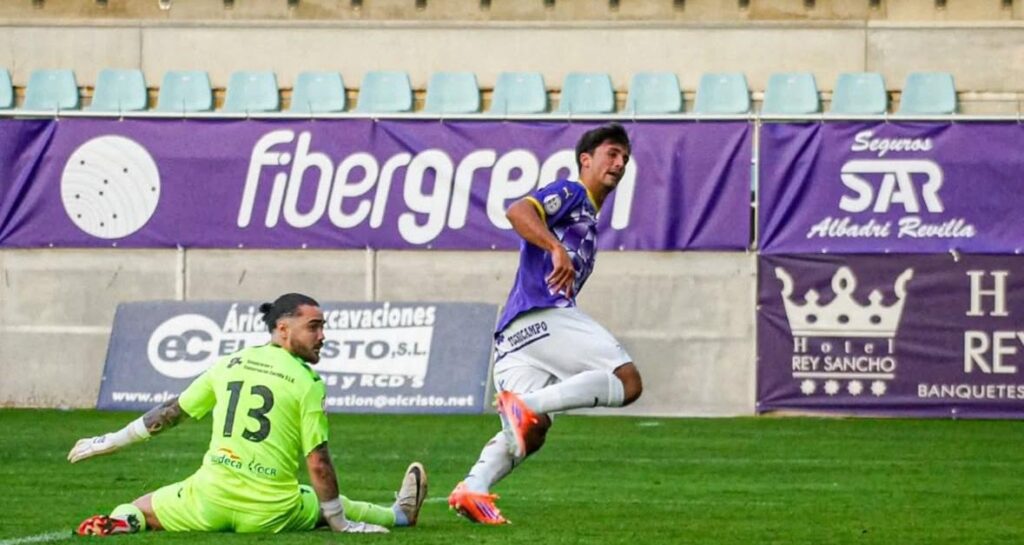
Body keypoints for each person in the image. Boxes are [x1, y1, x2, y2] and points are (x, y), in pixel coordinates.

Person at [68, 293, 427, 535]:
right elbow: (318, 463)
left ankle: (121, 523)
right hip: (272, 510)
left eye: (322, 326)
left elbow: (172, 412)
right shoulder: (307, 382)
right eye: (314, 327)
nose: (322, 335)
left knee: (137, 509)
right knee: (331, 504)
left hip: (207, 501)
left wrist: (110, 441)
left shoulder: (230, 363)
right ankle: (399, 514)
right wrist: (340, 523)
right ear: (283, 330)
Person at [447, 123, 644, 524]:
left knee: (530, 436)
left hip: (515, 336)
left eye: (624, 157)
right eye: (611, 153)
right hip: (542, 314)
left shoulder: (588, 217)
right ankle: (527, 406)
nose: (620, 163)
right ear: (585, 160)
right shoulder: (572, 193)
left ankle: (473, 487)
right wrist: (555, 247)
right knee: (627, 382)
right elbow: (518, 210)